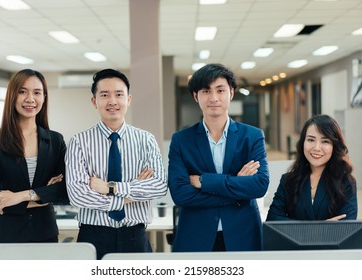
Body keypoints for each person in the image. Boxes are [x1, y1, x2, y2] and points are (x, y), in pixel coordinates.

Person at [65, 68, 167, 259]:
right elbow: (78, 196)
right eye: (104, 95)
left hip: (135, 236)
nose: (112, 101)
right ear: (94, 102)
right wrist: (130, 194)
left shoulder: (146, 140)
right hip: (93, 237)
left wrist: (110, 188)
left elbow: (159, 186)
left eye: (119, 94)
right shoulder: (79, 142)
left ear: (128, 99)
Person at [168, 63, 269, 252]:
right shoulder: (181, 140)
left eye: (220, 90)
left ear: (231, 93)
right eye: (206, 91)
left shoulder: (252, 136)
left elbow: (259, 185)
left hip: (243, 234)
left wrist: (203, 181)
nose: (213, 98)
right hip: (196, 235)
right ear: (195, 96)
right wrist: (237, 192)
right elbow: (180, 194)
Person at [0, 69, 67, 243]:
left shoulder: (55, 140)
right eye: (22, 92)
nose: (30, 99)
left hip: (45, 236)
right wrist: (43, 196)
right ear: (12, 96)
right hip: (5, 237)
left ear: (44, 97)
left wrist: (21, 196)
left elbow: (64, 190)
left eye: (37, 92)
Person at [266, 114, 358, 221]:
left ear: (334, 146)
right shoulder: (288, 180)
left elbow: (347, 229)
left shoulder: (346, 182)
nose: (317, 148)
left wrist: (293, 227)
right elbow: (273, 219)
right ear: (303, 143)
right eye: (311, 140)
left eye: (325, 141)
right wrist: (320, 228)